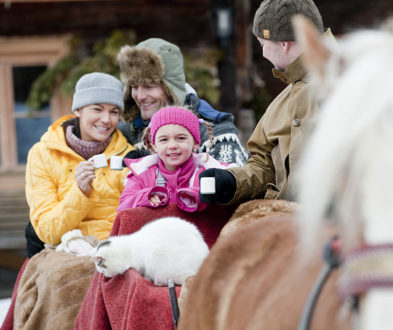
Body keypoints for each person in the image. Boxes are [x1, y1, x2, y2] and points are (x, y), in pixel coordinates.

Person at [199, 0, 333, 204]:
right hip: (288, 219)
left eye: (263, 44)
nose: (262, 52)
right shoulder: (284, 99)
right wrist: (232, 182)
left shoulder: (350, 85)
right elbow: (264, 164)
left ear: (283, 44)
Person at [25, 72, 135, 247]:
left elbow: (133, 221)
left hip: (114, 249)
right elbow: (47, 232)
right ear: (77, 110)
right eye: (97, 109)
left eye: (114, 112)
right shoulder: (43, 154)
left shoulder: (128, 156)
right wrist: (80, 192)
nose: (106, 120)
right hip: (64, 250)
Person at [116, 37, 249, 166]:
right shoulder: (124, 131)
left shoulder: (216, 134)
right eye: (133, 86)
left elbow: (231, 185)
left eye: (148, 86)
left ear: (171, 88)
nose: (139, 96)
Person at [118, 106, 232, 212]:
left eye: (181, 138)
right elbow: (123, 206)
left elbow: (228, 197)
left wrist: (198, 197)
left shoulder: (209, 171)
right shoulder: (142, 173)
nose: (172, 145)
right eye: (164, 140)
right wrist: (145, 197)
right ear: (154, 145)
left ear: (195, 143)